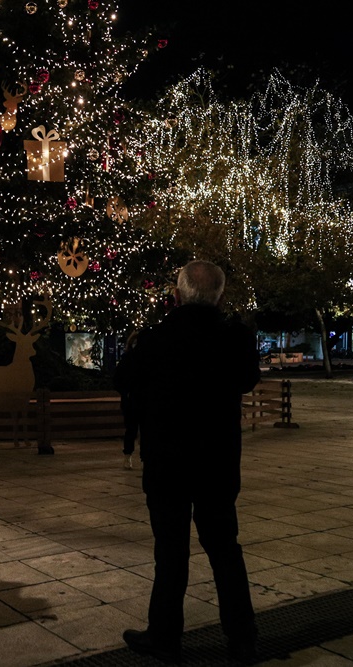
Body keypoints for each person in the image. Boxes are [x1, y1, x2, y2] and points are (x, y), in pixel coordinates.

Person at [114, 260, 260, 664]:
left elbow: (123, 380)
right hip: (217, 461)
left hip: (167, 464)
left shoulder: (155, 338)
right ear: (221, 296)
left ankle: (164, 636)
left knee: (171, 551)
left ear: (175, 296)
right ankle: (242, 638)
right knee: (225, 548)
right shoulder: (236, 338)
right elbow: (248, 379)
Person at [116, 330, 140, 469]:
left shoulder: (129, 358)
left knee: (132, 429)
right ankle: (129, 456)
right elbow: (118, 380)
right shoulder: (128, 359)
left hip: (134, 399)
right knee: (132, 429)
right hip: (133, 399)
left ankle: (130, 457)